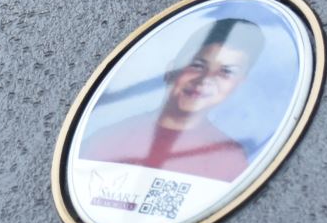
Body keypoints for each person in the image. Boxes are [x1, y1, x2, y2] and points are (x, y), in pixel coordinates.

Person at [78, 17, 263, 180]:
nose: (205, 79)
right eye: (197, 65)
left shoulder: (230, 160)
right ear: (170, 70)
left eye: (226, 72)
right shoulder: (107, 139)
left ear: (239, 84)